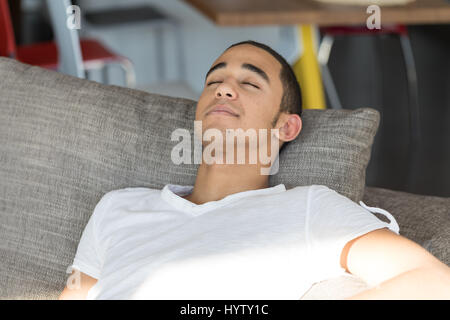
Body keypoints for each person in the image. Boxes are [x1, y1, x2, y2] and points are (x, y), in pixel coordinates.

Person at [59, 40, 450, 300]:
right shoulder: (118, 207)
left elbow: (433, 281)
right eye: (215, 80)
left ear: (286, 126)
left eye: (249, 83)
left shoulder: (310, 209)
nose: (224, 89)